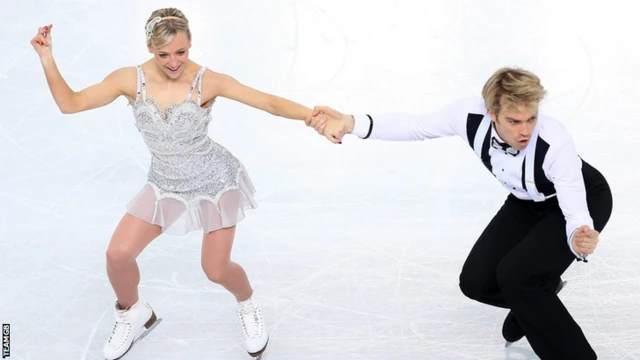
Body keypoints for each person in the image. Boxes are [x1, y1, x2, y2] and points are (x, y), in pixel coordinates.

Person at [30, 8, 340, 360]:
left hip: (213, 182)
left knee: (215, 270)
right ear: (150, 47)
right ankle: (132, 312)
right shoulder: (128, 80)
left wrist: (313, 118)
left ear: (190, 45)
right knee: (117, 255)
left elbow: (267, 102)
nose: (174, 61)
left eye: (181, 52)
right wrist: (47, 57)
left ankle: (247, 303)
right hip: (165, 184)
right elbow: (70, 104)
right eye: (164, 54)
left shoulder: (207, 80)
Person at [305, 67, 613, 360]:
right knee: (476, 282)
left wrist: (579, 235)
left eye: (532, 119)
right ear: (492, 113)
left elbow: (575, 204)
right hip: (524, 201)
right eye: (514, 121)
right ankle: (538, 297)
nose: (526, 130)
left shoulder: (554, 141)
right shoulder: (468, 115)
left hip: (581, 198)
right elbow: (414, 126)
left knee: (518, 277)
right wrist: (350, 122)